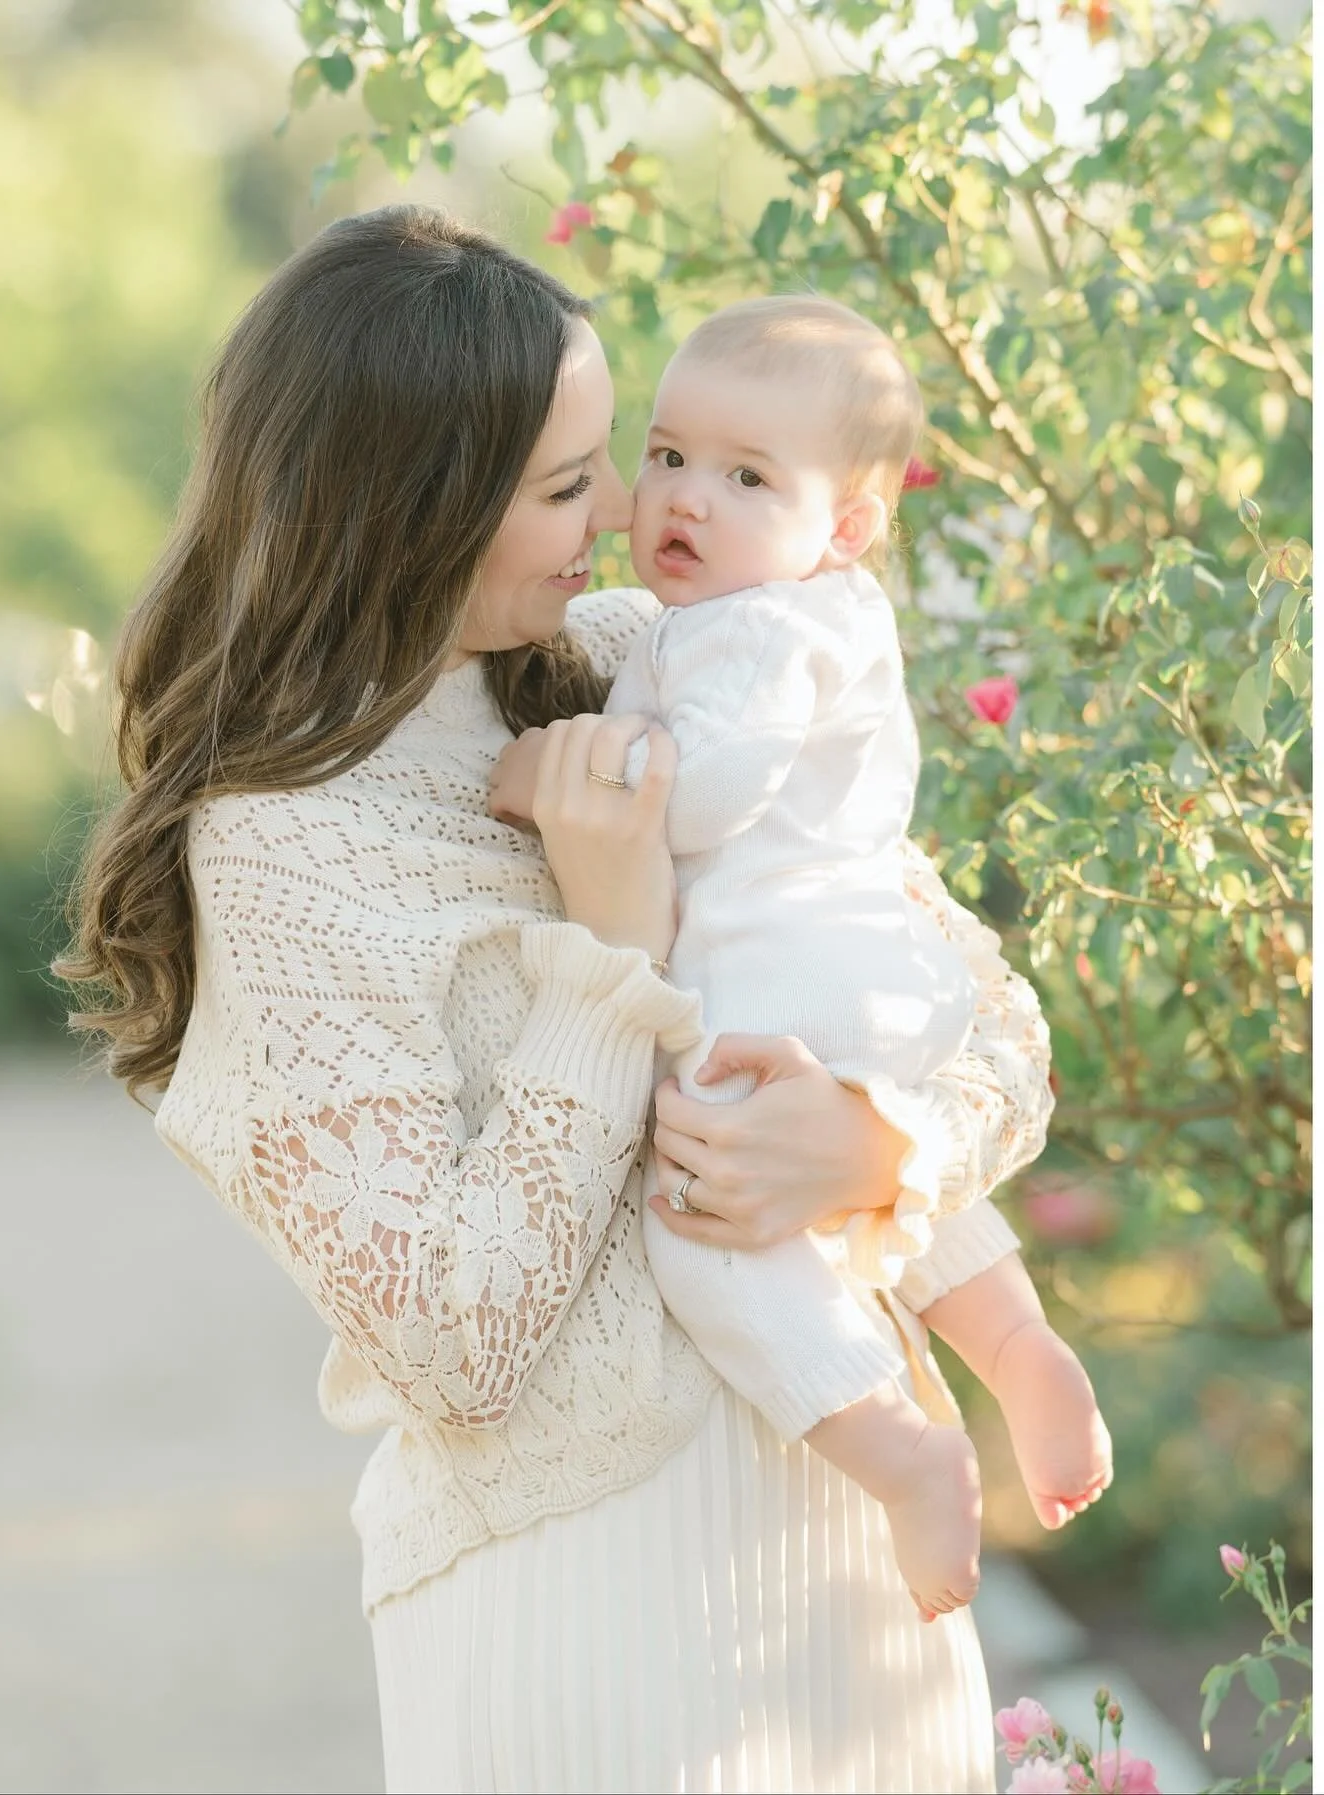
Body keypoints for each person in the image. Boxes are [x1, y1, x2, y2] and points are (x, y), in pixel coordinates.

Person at [58, 205, 1058, 1794]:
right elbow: (461, 1344)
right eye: (568, 480)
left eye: (622, 455)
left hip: (862, 1542)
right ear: (414, 506)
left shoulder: (647, 657)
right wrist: (614, 957)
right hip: (595, 1605)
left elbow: (983, 1011)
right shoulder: (284, 846)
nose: (634, 507)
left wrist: (879, 1150)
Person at [490, 295, 1112, 1627]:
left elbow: (700, 792)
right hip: (870, 968)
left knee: (705, 1221)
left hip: (778, 966)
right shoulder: (779, 612)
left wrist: (565, 769)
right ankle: (1018, 1344)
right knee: (877, 1179)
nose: (682, 498)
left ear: (846, 526)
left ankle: (901, 1453)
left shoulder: (759, 628)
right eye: (666, 455)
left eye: (747, 475)